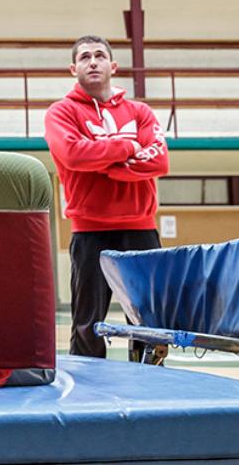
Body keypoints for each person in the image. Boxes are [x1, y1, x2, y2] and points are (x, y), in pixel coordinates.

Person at [44, 35, 168, 358]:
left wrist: (103, 165)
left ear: (113, 66)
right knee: (88, 324)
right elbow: (73, 154)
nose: (93, 62)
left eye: (100, 55)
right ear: (74, 69)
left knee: (148, 323)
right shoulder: (61, 113)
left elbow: (159, 160)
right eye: (84, 57)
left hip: (141, 231)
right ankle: (86, 388)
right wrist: (127, 148)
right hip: (90, 233)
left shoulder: (140, 112)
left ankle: (148, 383)